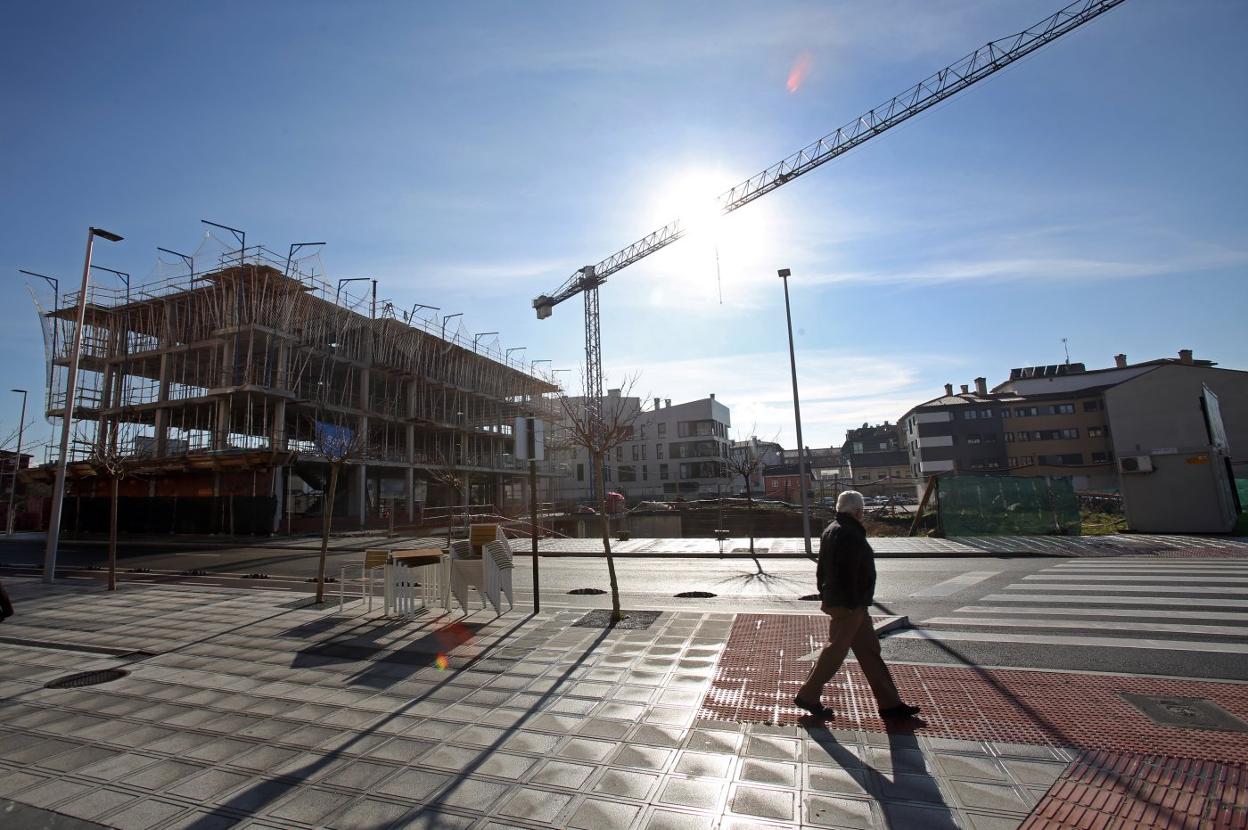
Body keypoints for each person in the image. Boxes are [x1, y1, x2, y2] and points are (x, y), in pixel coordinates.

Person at [794, 490, 920, 721]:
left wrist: (827, 593)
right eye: (862, 510)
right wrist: (853, 603)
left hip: (847, 602)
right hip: (849, 604)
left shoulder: (832, 529)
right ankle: (808, 695)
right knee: (835, 651)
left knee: (869, 651)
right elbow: (847, 572)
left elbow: (822, 569)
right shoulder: (848, 533)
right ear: (858, 510)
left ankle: (890, 704)